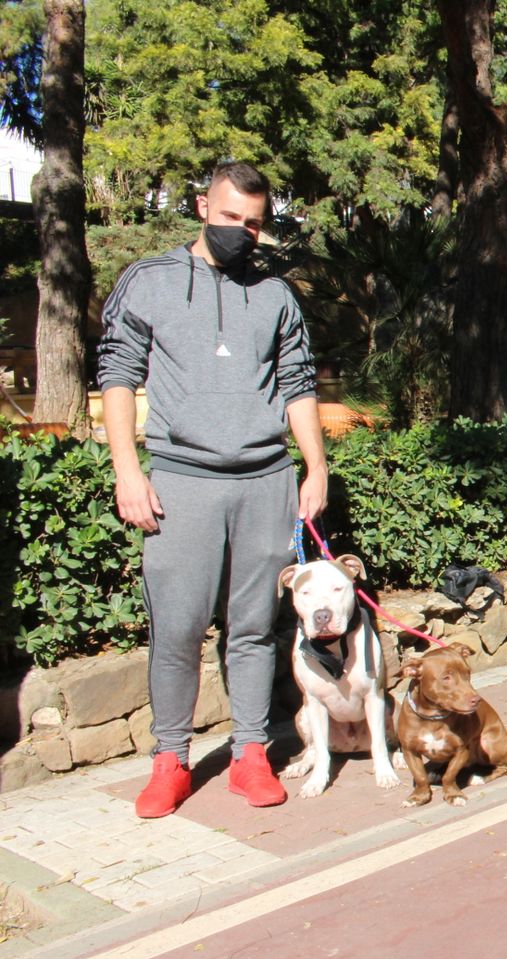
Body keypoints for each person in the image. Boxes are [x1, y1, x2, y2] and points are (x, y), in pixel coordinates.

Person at [100, 161, 327, 818]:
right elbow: (117, 374)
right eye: (231, 217)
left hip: (265, 482)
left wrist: (314, 467)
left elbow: (298, 385)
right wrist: (127, 471)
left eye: (254, 223)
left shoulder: (276, 294)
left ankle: (250, 754)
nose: (243, 233)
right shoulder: (150, 282)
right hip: (182, 483)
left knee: (254, 628)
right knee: (176, 628)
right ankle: (170, 760)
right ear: (202, 206)